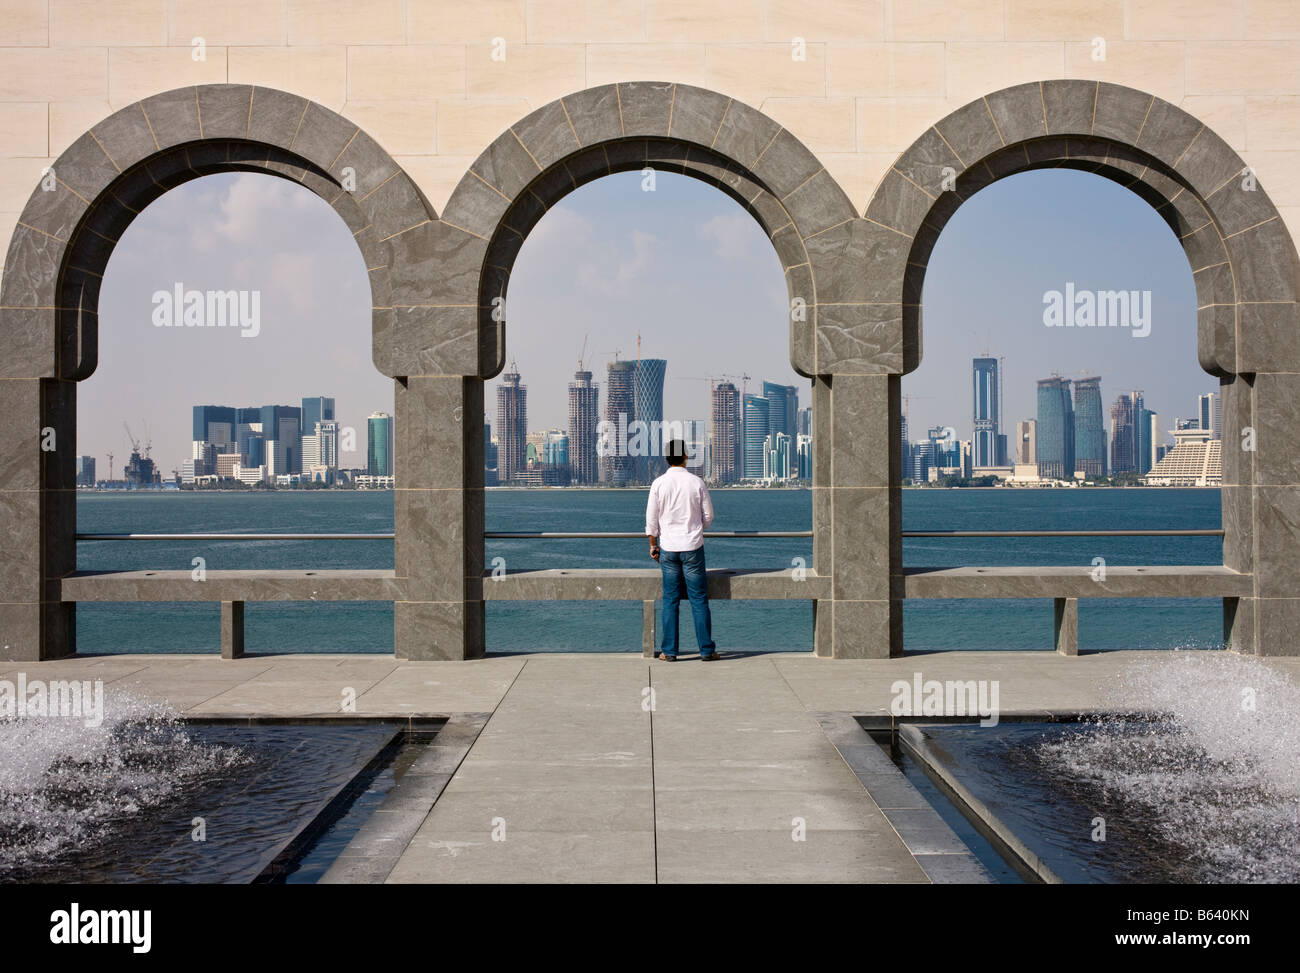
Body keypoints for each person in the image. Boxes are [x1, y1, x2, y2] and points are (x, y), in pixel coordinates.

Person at [645, 439, 718, 661]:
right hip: (693, 547)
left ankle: (669, 651)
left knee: (670, 600)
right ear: (686, 456)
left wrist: (653, 545)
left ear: (667, 459)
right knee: (699, 599)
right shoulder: (697, 482)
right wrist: (695, 528)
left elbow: (651, 521)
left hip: (668, 548)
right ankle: (706, 650)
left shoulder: (658, 484)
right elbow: (709, 517)